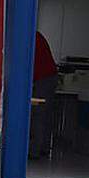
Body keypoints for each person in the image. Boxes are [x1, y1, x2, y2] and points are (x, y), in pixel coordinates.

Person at [30, 31, 59, 159]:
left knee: (39, 114)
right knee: (45, 114)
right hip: (48, 76)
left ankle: (35, 151)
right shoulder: (37, 36)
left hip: (44, 78)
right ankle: (44, 148)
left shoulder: (29, 38)